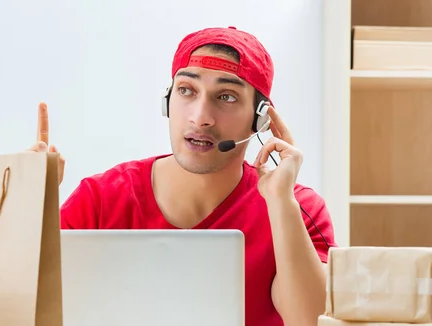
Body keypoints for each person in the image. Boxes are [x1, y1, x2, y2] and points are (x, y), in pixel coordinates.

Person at [30, 26, 337, 326]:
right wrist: (25, 209)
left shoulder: (297, 208)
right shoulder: (99, 199)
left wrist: (282, 203)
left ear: (261, 120)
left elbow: (309, 321)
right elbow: (29, 306)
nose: (200, 117)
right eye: (187, 90)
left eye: (226, 96)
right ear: (168, 101)